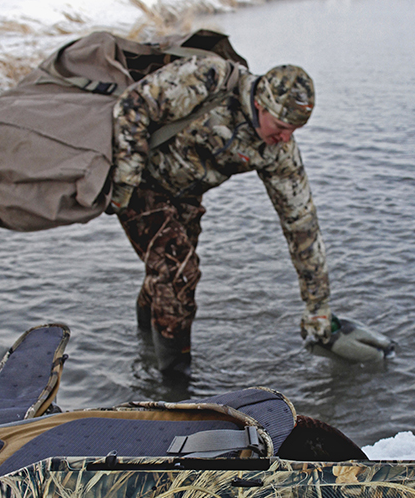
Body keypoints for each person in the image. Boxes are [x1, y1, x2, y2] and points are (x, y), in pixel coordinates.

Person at [109, 52, 331, 374]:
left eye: (294, 130)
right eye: (282, 126)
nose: (286, 138)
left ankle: (143, 346)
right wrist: (124, 183)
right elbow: (134, 105)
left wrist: (317, 306)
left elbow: (302, 225)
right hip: (142, 184)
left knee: (168, 276)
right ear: (261, 104)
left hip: (184, 197)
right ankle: (174, 386)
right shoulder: (209, 78)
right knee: (178, 272)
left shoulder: (277, 152)